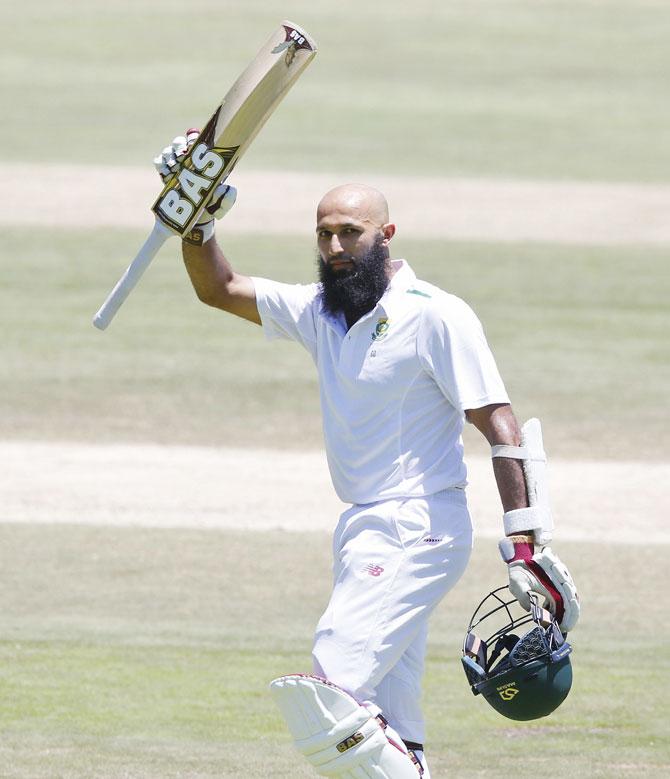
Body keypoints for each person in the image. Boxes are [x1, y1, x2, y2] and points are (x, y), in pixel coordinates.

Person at [155, 136, 580, 778]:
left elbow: (499, 423)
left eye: (349, 233)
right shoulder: (319, 311)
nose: (333, 248)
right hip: (361, 528)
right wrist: (196, 220)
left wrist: (526, 542)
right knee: (392, 723)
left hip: (418, 525)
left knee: (329, 691)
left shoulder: (434, 316)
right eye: (323, 234)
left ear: (385, 233)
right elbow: (220, 287)